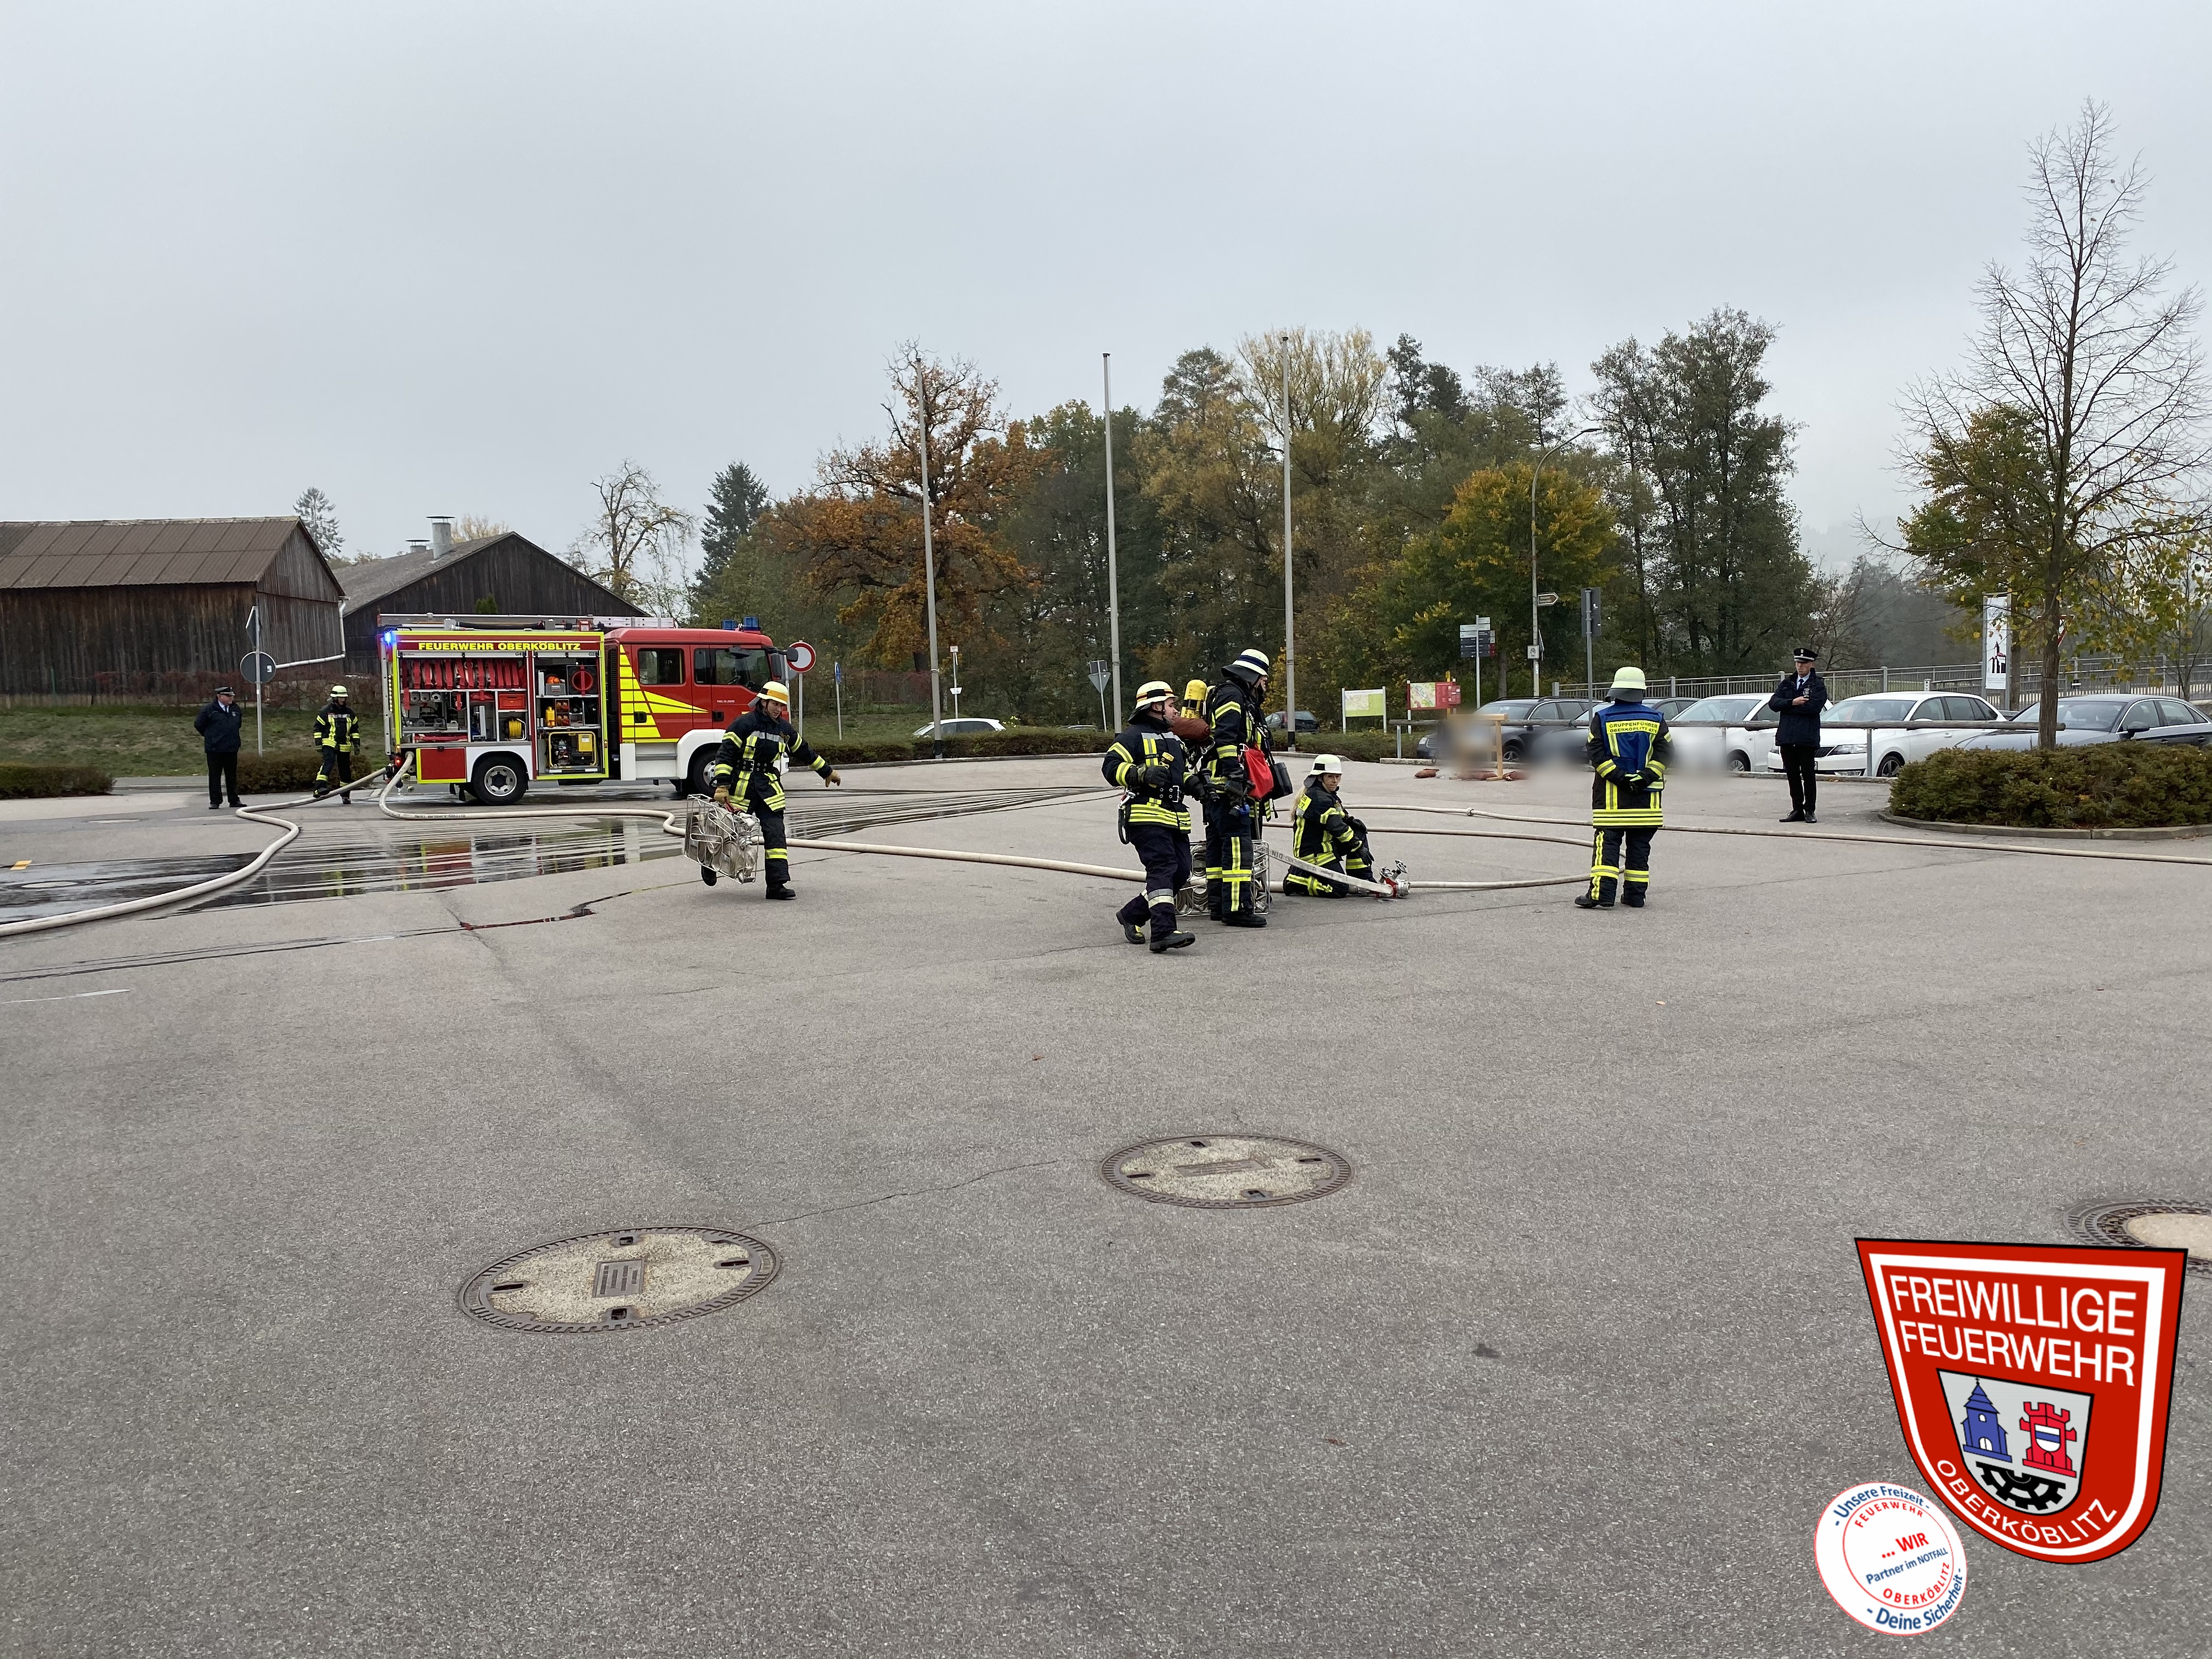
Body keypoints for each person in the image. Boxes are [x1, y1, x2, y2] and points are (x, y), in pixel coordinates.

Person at [710, 680, 841, 899]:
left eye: (782, 706)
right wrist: (723, 784)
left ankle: (776, 885)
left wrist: (826, 772)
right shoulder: (743, 723)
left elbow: (804, 751)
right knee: (729, 834)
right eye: (775, 704)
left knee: (776, 835)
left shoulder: (784, 729)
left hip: (769, 789)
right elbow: (725, 754)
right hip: (742, 787)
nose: (778, 709)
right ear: (764, 702)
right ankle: (710, 865)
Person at [1102, 680, 1196, 953]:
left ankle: (1131, 914)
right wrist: (1139, 774)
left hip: (1175, 817)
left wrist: (1197, 785)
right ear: (1156, 707)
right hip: (1146, 815)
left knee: (1180, 872)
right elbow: (1110, 768)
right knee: (1163, 868)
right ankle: (1163, 932)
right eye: (1171, 705)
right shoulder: (1132, 737)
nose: (1176, 710)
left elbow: (1180, 775)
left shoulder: (1173, 739)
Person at [1576, 666, 1671, 911]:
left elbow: (1595, 754)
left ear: (1615, 691)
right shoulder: (1656, 719)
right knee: (1640, 850)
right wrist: (1645, 777)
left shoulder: (1602, 718)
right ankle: (1635, 897)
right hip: (1647, 802)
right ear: (1641, 692)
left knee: (1607, 848)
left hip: (1612, 801)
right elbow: (1666, 753)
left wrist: (1620, 778)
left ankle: (1602, 895)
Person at [1201, 647, 1276, 928]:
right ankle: (1237, 908)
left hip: (1218, 786)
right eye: (1264, 680)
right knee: (1236, 847)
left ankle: (1219, 905)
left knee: (1219, 845)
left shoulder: (1237, 696)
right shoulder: (1232, 695)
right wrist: (1234, 774)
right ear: (1253, 676)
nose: (1265, 686)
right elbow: (1226, 737)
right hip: (1227, 787)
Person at [1284, 755, 1376, 896]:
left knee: (1358, 832)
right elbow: (1336, 827)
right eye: (1330, 777)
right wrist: (1359, 846)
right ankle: (1296, 880)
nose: (1335, 781)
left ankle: (1362, 880)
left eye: (1337, 777)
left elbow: (1339, 815)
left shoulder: (1325, 793)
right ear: (1320, 777)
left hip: (1325, 846)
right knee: (1339, 889)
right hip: (1314, 854)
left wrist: (1352, 822)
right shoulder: (1319, 798)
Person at [1769, 646, 1829, 822]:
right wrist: (1793, 702)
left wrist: (1787, 708)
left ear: (1812, 664)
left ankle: (1809, 810)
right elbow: (1773, 704)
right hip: (1787, 737)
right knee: (1792, 775)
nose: (1800, 666)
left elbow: (1814, 707)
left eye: (1803, 663)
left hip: (1806, 737)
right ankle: (1797, 809)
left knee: (1808, 775)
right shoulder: (1787, 683)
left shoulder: (1817, 685)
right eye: (1797, 663)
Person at [195, 684, 245, 810]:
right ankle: (215, 801)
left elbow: (238, 724)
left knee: (232, 775)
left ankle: (234, 800)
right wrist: (211, 737)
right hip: (215, 749)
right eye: (228, 696)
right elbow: (199, 725)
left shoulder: (235, 709)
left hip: (231, 748)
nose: (231, 698)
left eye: (232, 696)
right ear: (219, 696)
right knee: (215, 776)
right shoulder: (210, 710)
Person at [312, 684, 361, 804]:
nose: (343, 700)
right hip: (330, 742)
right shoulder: (325, 711)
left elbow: (355, 730)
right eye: (341, 698)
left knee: (345, 771)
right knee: (329, 762)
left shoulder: (350, 713)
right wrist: (318, 744)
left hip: (345, 745)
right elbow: (318, 728)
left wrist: (357, 744)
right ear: (335, 698)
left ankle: (345, 795)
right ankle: (319, 788)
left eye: (344, 697)